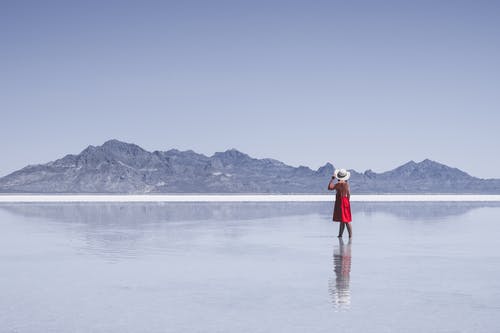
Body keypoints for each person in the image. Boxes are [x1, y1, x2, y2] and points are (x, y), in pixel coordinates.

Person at [328, 168, 353, 238]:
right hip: (345, 201)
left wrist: (332, 179)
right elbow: (349, 194)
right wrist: (347, 201)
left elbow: (329, 187)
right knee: (344, 219)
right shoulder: (346, 184)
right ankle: (343, 235)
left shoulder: (338, 184)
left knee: (345, 220)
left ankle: (348, 235)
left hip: (340, 202)